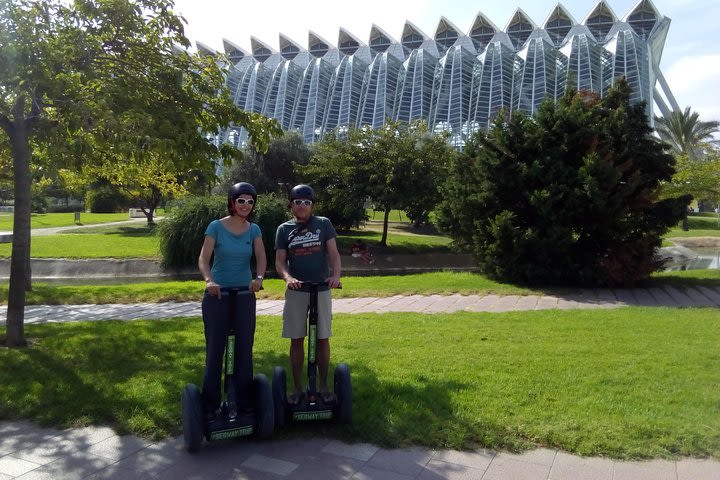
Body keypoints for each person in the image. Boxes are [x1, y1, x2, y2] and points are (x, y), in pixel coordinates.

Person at [197, 182, 266, 422]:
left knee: (244, 350)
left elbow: (261, 257)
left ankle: (243, 403)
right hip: (218, 295)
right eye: (241, 200)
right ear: (232, 202)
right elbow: (204, 258)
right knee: (216, 350)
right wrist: (209, 281)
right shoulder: (216, 226)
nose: (246, 205)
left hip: (245, 295)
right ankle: (210, 406)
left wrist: (258, 278)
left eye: (250, 201)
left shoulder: (254, 229)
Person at [275, 184, 341, 405]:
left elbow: (333, 254)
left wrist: (336, 276)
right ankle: (297, 387)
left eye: (307, 202)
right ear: (291, 204)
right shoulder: (284, 229)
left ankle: (322, 385)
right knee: (297, 339)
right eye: (298, 202)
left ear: (312, 205)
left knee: (323, 338)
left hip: (321, 288)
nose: (302, 206)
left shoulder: (323, 224)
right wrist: (288, 278)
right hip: (297, 290)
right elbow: (280, 261)